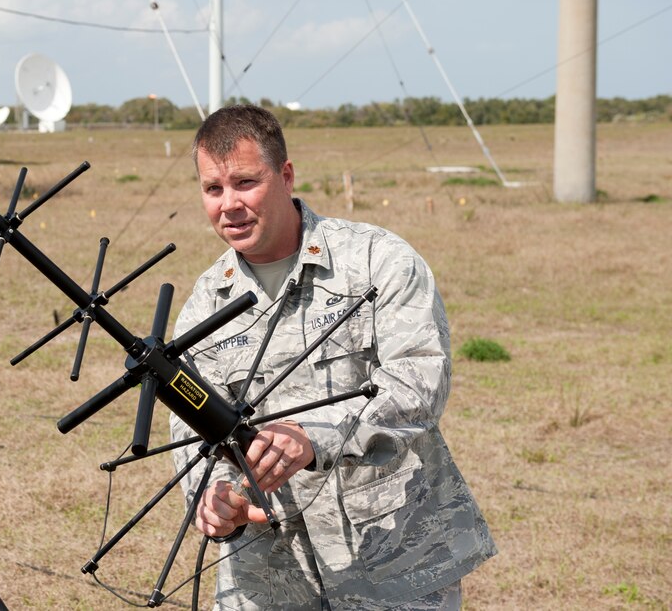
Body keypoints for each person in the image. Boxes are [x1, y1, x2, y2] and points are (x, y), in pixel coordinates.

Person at [170, 104, 495, 610]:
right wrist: (210, 497)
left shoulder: (377, 261)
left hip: (392, 559)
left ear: (286, 175)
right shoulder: (205, 305)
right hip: (268, 575)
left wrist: (312, 435)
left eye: (245, 183)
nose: (229, 204)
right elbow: (190, 426)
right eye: (213, 189)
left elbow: (420, 380)